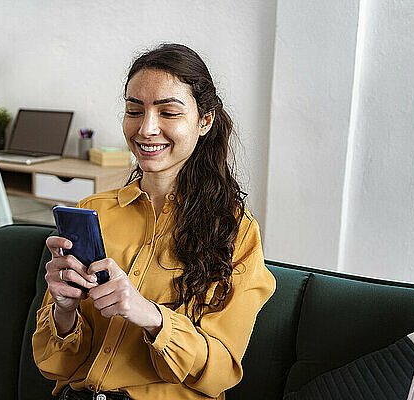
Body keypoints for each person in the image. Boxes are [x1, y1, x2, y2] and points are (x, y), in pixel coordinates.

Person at [32, 43, 276, 400]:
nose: (146, 129)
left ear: (204, 120)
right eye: (135, 110)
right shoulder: (92, 211)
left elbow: (221, 371)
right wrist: (64, 311)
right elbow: (53, 366)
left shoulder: (237, 232)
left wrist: (150, 316)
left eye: (168, 112)